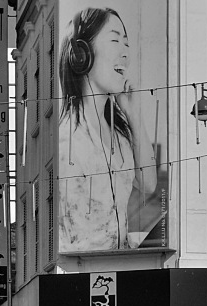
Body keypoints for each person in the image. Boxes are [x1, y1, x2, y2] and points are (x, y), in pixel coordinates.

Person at [58, 6, 163, 252]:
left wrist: (133, 113)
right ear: (82, 54)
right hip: (84, 265)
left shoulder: (119, 134)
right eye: (115, 40)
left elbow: (148, 185)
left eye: (127, 43)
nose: (125, 53)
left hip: (119, 262)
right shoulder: (67, 140)